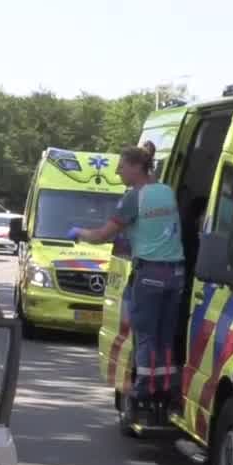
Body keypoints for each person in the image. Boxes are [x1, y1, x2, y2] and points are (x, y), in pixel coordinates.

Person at [71, 146, 183, 424]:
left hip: (150, 274)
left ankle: (144, 390)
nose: (118, 171)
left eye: (121, 166)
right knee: (164, 335)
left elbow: (102, 235)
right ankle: (165, 385)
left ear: (136, 167)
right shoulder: (167, 191)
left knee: (144, 335)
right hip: (177, 274)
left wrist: (79, 233)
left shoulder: (134, 198)